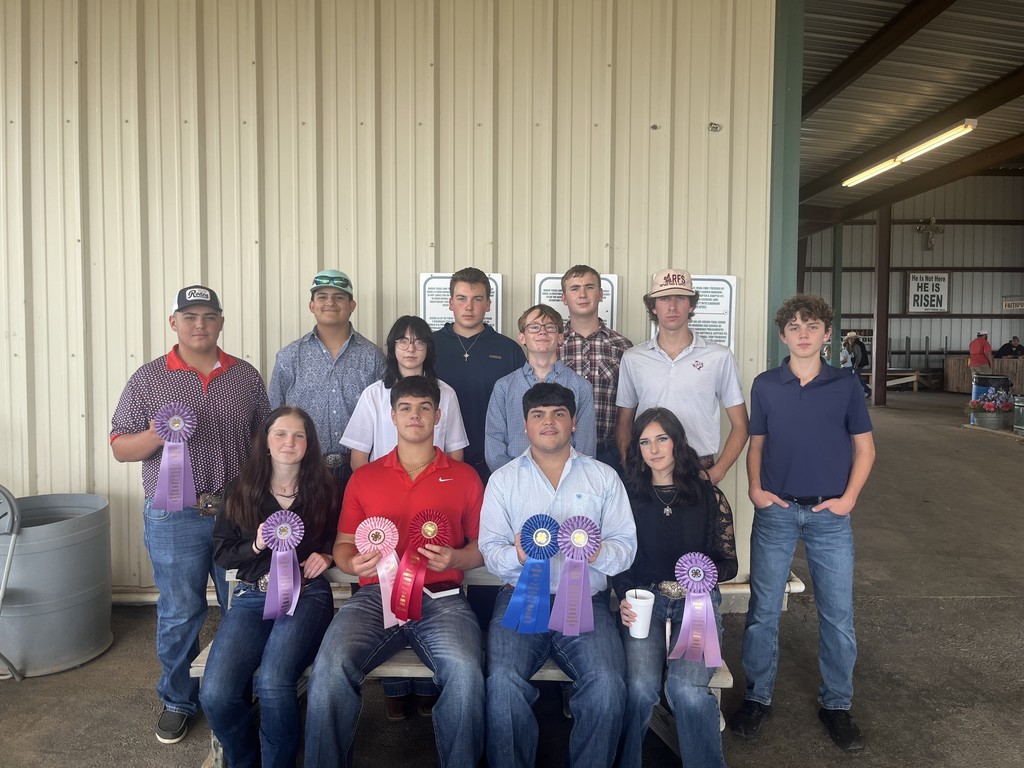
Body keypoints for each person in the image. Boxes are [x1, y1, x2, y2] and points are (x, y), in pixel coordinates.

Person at [110, 285, 271, 744]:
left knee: (243, 606)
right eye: (189, 316)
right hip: (173, 515)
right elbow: (120, 446)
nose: (199, 325)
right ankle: (178, 699)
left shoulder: (245, 376)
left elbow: (264, 439)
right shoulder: (149, 378)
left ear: (221, 322)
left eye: (208, 316)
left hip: (236, 514)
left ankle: (236, 692)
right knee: (181, 611)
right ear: (174, 323)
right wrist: (158, 436)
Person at [304, 376, 486, 768]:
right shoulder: (364, 477)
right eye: (405, 408)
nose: (414, 415)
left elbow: (482, 548)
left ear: (438, 416)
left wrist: (455, 560)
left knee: (466, 671)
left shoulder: (465, 477)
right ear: (392, 416)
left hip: (442, 598)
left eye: (424, 408)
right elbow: (343, 544)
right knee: (330, 666)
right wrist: (351, 563)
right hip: (374, 597)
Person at [730, 294, 875, 753]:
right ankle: (757, 697)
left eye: (812, 326)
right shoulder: (766, 385)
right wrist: (756, 490)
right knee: (763, 611)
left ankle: (837, 704)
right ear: (783, 335)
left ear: (827, 333)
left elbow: (865, 448)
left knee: (837, 614)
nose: (804, 334)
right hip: (776, 512)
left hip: (829, 516)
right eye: (794, 327)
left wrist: (848, 499)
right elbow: (756, 444)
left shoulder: (845, 384)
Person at [479, 383, 637, 768]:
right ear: (525, 425)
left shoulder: (603, 478)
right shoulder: (503, 480)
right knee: (503, 683)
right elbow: (491, 549)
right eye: (538, 415)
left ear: (574, 422)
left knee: (606, 685)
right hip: (519, 599)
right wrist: (518, 555)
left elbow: (626, 546)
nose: (548, 422)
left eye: (558, 414)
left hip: (587, 603)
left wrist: (597, 551)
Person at [340, 314, 468, 718]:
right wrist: (378, 490)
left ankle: (428, 689)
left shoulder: (446, 393)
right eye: (402, 341)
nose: (410, 348)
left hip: (432, 520)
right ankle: (396, 690)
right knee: (379, 603)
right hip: (383, 529)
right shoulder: (374, 393)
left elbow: (457, 453)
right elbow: (359, 456)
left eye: (418, 341)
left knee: (453, 655)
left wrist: (444, 483)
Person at [201, 407, 340, 768]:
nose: (289, 442)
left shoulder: (326, 487)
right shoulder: (240, 489)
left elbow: (340, 537)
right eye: (280, 434)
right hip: (252, 596)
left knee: (275, 682)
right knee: (216, 693)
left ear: (309, 444)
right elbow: (222, 553)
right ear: (265, 441)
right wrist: (256, 545)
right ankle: (245, 759)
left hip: (307, 595)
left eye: (298, 435)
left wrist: (327, 554)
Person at [613, 407, 737, 768]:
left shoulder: (707, 495)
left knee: (686, 689)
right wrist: (624, 596)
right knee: (639, 689)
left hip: (697, 602)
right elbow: (621, 559)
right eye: (645, 442)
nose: (654, 449)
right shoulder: (629, 497)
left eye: (662, 439)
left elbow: (729, 563)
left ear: (676, 442)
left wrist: (702, 574)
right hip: (645, 599)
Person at [616, 268, 748, 485]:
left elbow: (741, 424)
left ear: (691, 305)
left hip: (699, 470)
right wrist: (631, 468)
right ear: (653, 307)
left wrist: (717, 472)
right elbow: (623, 421)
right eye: (664, 299)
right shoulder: (633, 358)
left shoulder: (719, 357)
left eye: (680, 298)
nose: (672, 306)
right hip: (649, 473)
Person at [268, 269, 385, 491]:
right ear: (312, 306)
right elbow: (273, 417)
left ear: (352, 306)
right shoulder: (289, 356)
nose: (330, 303)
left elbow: (384, 418)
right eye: (322, 297)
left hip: (359, 468)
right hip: (303, 469)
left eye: (339, 297)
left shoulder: (373, 357)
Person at [433, 267, 526, 483]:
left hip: (496, 460)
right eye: (462, 299)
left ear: (488, 304)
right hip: (439, 457)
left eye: (477, 299)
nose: (469, 306)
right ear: (450, 303)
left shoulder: (508, 350)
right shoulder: (428, 346)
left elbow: (522, 408)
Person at [485, 303, 597, 472]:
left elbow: (585, 447)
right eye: (534, 327)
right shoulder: (504, 387)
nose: (542, 332)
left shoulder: (581, 387)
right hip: (514, 479)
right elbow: (494, 443)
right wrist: (511, 479)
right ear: (522, 337)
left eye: (550, 327)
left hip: (567, 478)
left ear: (560, 337)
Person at [558, 264, 633, 472]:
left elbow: (630, 404)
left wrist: (625, 455)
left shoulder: (622, 346)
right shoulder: (553, 344)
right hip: (562, 453)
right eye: (574, 288)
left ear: (600, 294)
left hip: (609, 454)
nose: (582, 294)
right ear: (564, 298)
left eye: (589, 287)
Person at [842, 332, 871, 397]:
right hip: (859, 363)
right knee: (856, 377)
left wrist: (856, 365)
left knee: (857, 377)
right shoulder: (857, 344)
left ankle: (867, 390)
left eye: (852, 338)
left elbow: (858, 357)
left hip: (858, 364)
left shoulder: (856, 345)